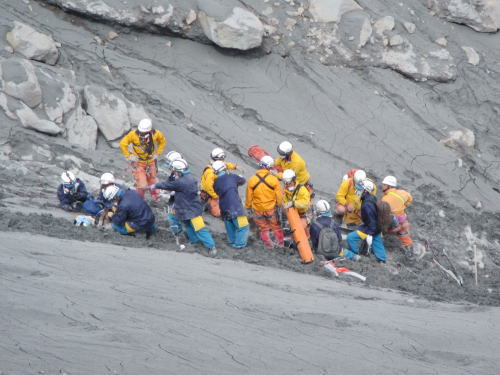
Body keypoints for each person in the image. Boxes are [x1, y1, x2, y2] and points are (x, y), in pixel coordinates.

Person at [151, 159, 217, 256]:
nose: (173, 172)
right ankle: (194, 241)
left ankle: (211, 247)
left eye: (174, 170)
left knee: (200, 229)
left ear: (178, 170)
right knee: (190, 226)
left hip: (191, 210)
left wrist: (154, 186)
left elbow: (168, 185)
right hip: (188, 209)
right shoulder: (190, 177)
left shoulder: (181, 181)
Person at [119, 118, 166, 201]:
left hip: (150, 161)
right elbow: (123, 144)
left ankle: (155, 196)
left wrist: (157, 153)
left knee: (152, 179)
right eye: (141, 132)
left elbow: (162, 141)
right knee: (142, 183)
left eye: (144, 132)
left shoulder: (156, 134)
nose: (142, 134)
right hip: (138, 162)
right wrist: (129, 156)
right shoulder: (133, 135)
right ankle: (139, 199)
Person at [342, 180, 386, 263]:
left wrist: (370, 233)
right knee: (377, 240)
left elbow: (371, 220)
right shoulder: (372, 197)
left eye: (360, 189)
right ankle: (382, 259)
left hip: (371, 228)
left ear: (365, 191)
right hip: (379, 226)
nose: (357, 190)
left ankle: (357, 253)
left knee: (351, 237)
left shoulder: (367, 205)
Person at [245, 155, 284, 249]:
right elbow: (279, 196)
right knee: (276, 227)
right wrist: (279, 205)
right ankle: (280, 245)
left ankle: (269, 246)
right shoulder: (273, 179)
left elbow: (249, 196)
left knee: (263, 229)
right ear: (270, 167)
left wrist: (248, 207)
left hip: (258, 209)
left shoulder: (252, 179)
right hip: (271, 209)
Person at [213, 160, 249, 248]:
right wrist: (239, 176)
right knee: (243, 226)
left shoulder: (216, 182)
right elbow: (243, 180)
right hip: (235, 205)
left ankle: (232, 242)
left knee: (230, 226)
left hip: (223, 206)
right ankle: (239, 244)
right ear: (224, 168)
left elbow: (216, 191)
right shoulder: (232, 176)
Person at [381, 175, 414, 258]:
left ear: (389, 186)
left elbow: (383, 212)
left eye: (384, 184)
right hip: (402, 217)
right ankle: (410, 250)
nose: (382, 186)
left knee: (382, 228)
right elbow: (410, 198)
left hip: (393, 220)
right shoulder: (402, 192)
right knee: (403, 233)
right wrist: (404, 205)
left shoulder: (386, 199)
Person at [200, 147, 239, 217]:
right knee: (218, 213)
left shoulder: (219, 165)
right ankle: (207, 205)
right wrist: (216, 197)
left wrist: (234, 167)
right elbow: (208, 187)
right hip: (210, 194)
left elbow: (227, 165)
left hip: (219, 192)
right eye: (222, 158)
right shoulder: (210, 172)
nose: (223, 159)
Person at [282, 169, 311, 237]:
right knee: (287, 226)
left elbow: (305, 203)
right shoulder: (286, 190)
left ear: (293, 180)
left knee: (301, 227)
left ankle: (308, 238)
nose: (287, 185)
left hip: (305, 213)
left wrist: (293, 203)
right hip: (294, 212)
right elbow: (285, 200)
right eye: (285, 183)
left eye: (288, 183)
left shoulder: (302, 190)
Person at [163, 151, 184, 235]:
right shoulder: (175, 172)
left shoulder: (182, 176)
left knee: (172, 215)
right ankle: (177, 229)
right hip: (174, 199)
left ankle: (177, 232)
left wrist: (171, 192)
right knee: (172, 214)